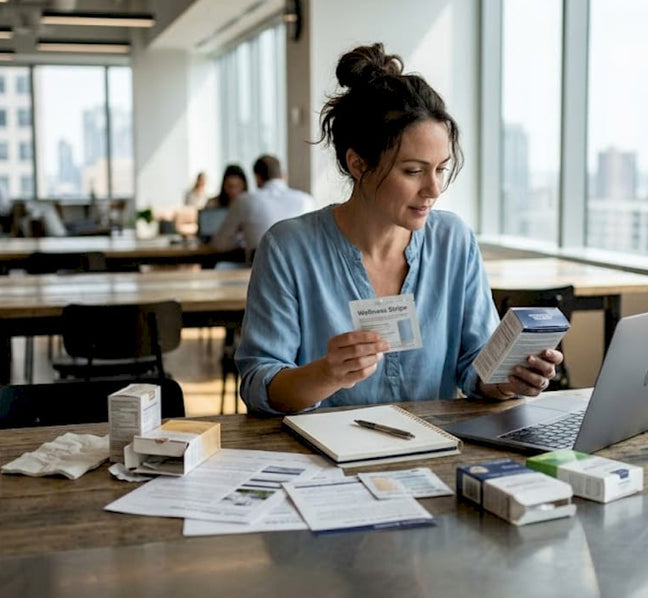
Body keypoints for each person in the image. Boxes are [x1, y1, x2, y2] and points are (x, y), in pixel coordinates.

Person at [235, 43, 563, 415]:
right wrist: (326, 373)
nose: (434, 189)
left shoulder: (453, 241)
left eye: (440, 169)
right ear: (358, 164)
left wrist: (506, 379)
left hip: (434, 451)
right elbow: (259, 383)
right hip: (325, 459)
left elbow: (474, 364)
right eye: (413, 171)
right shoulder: (289, 248)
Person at [208, 155, 315, 255]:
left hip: (259, 270)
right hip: (301, 268)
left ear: (258, 177)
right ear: (282, 175)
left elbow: (219, 244)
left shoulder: (245, 200)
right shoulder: (306, 200)